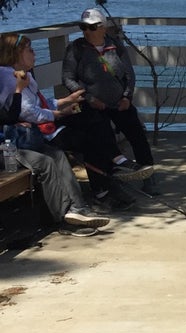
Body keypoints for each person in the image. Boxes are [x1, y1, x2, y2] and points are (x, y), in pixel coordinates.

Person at [0, 33, 147, 211]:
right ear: (16, 53)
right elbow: (28, 112)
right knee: (89, 140)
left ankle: (114, 167)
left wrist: (66, 101)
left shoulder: (22, 76)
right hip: (36, 132)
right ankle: (107, 183)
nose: (34, 53)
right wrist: (59, 114)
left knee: (93, 117)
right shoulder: (9, 79)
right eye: (29, 50)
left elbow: (39, 104)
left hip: (44, 123)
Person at [0, 63, 109, 236]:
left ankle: (78, 207)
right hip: (6, 148)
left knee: (57, 155)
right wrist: (19, 91)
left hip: (13, 141)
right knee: (45, 162)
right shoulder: (8, 79)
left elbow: (9, 116)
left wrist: (15, 119)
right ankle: (64, 219)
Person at [62, 8, 157, 195]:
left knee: (137, 134)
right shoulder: (76, 49)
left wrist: (126, 97)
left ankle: (148, 175)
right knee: (100, 138)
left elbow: (129, 75)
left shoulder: (116, 45)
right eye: (83, 27)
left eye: (92, 27)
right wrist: (89, 98)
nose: (87, 32)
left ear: (103, 27)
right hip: (92, 105)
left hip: (119, 102)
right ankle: (110, 181)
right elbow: (68, 78)